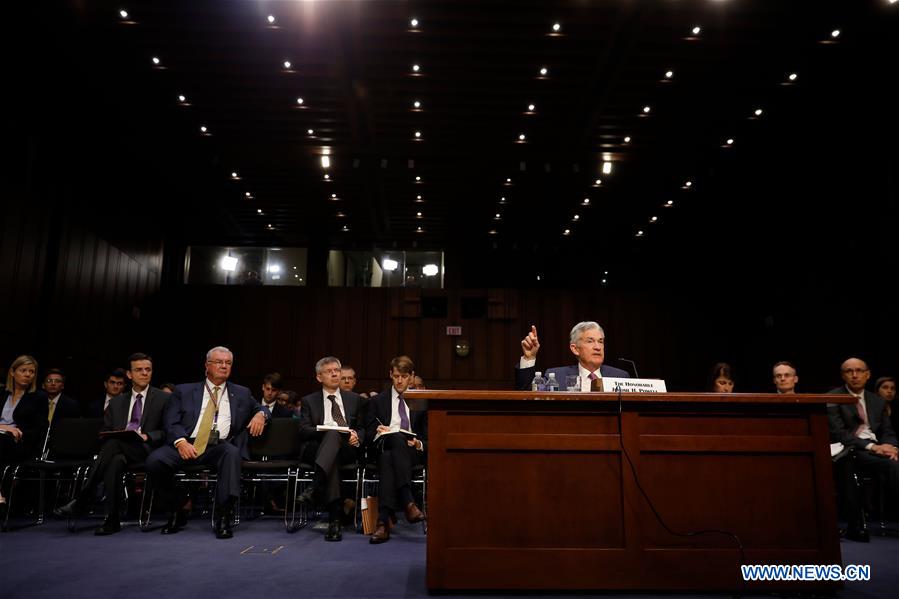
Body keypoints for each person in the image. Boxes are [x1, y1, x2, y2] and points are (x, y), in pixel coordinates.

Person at [145, 346, 269, 539]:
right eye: (219, 362)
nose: (224, 366)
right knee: (155, 461)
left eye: (228, 363)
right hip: (185, 443)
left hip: (217, 446)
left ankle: (223, 517)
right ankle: (176, 508)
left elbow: (261, 407)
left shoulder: (241, 392)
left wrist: (261, 414)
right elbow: (170, 421)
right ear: (207, 366)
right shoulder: (184, 391)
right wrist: (180, 442)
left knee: (231, 453)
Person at [55, 353, 169, 534]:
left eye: (148, 370)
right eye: (139, 370)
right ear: (129, 374)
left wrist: (148, 436)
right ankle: (112, 520)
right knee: (114, 460)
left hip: (147, 450)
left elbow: (168, 430)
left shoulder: (163, 398)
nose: (144, 373)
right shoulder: (116, 402)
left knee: (113, 445)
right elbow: (105, 431)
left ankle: (84, 497)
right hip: (119, 450)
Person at [827, 357, 899, 535]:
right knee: (890, 465)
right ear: (843, 376)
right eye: (849, 371)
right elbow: (839, 433)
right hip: (850, 449)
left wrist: (892, 447)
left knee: (894, 462)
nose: (854, 375)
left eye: (859, 371)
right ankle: (855, 523)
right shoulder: (833, 397)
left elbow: (887, 431)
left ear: (868, 375)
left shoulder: (877, 401)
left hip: (876, 449)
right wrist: (872, 447)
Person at [297, 356, 365, 542]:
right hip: (317, 448)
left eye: (337, 370)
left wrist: (357, 436)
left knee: (334, 449)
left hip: (346, 450)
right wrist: (326, 431)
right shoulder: (309, 401)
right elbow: (303, 431)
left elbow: (362, 427)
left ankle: (315, 486)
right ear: (319, 377)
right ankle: (335, 520)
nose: (335, 374)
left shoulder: (354, 399)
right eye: (329, 371)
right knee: (333, 437)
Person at [366, 356, 427, 544]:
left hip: (411, 452)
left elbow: (429, 436)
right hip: (385, 443)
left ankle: (383, 521)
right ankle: (408, 502)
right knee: (394, 439)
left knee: (388, 458)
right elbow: (367, 434)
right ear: (390, 376)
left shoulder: (422, 402)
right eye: (396, 376)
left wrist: (418, 444)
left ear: (412, 376)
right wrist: (377, 431)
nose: (400, 380)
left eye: (404, 376)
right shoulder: (378, 401)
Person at [514, 322, 629, 391]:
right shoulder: (556, 377)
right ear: (575, 349)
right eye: (590, 341)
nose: (597, 347)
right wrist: (529, 358)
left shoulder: (620, 377)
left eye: (600, 341)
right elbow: (526, 395)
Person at [1, 356, 48, 508]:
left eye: (31, 372)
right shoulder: (2, 394)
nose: (28, 374)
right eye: (23, 370)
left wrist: (11, 432)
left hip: (20, 443)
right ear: (12, 373)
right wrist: (5, 428)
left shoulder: (38, 397)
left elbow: (38, 430)